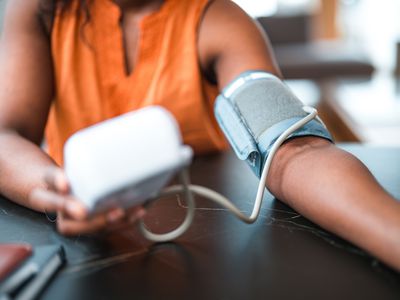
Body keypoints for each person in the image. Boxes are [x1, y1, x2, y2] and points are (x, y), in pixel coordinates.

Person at [0, 0, 399, 271]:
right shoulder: (39, 12)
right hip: (83, 252)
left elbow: (292, 150)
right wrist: (56, 191)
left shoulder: (217, 21)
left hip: (198, 254)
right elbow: (6, 133)